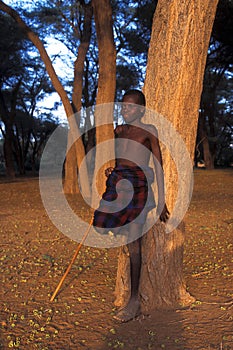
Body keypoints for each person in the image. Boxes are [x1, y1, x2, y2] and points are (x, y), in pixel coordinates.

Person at [93, 89, 169, 322]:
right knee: (100, 223)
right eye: (123, 106)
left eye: (130, 107)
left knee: (135, 247)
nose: (125, 110)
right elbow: (120, 158)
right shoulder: (119, 130)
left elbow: (158, 165)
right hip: (118, 183)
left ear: (141, 110)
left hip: (139, 187)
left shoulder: (149, 131)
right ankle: (123, 230)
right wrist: (112, 169)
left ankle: (134, 301)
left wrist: (163, 200)